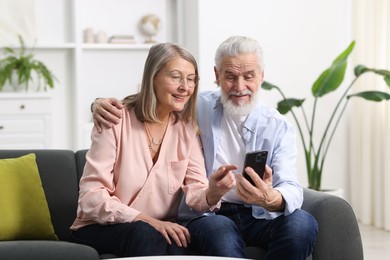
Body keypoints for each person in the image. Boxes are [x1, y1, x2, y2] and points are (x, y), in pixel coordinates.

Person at [91, 36, 319, 259]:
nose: (240, 87)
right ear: (217, 76)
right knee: (219, 231)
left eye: (248, 76)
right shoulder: (193, 107)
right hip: (211, 213)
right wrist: (98, 103)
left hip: (259, 214)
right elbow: (153, 100)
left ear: (261, 76)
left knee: (302, 223)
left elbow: (290, 185)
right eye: (230, 76)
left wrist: (269, 198)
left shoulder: (279, 127)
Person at [70, 42, 241, 257]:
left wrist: (213, 192)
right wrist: (150, 222)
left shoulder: (186, 129)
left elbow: (196, 191)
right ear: (153, 77)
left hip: (158, 229)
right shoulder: (115, 120)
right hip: (102, 226)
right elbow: (91, 197)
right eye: (176, 77)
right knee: (146, 233)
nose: (185, 87)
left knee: (180, 240)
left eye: (190, 79)